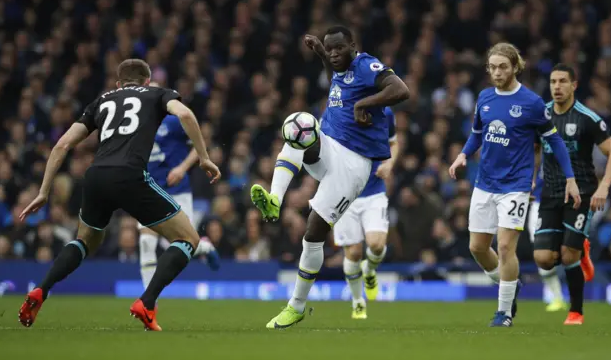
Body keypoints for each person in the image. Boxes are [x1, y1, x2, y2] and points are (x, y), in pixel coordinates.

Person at [18, 59, 221, 331]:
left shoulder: (102, 100)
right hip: (130, 175)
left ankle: (40, 290)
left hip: (95, 176)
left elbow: (63, 144)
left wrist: (44, 191)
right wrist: (204, 158)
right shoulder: (157, 93)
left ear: (118, 84)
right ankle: (147, 303)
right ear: (147, 81)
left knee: (86, 241)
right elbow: (185, 115)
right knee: (188, 238)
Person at [250, 25, 409, 329]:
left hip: (354, 164)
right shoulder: (340, 68)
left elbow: (401, 90)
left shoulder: (366, 65)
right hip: (330, 146)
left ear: (353, 45)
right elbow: (335, 74)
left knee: (313, 234)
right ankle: (274, 200)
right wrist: (321, 54)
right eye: (330, 49)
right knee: (300, 127)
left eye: (339, 48)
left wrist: (365, 103)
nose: (335, 54)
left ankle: (296, 306)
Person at [449, 43, 580, 327]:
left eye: (503, 67)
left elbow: (555, 140)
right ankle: (511, 284)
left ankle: (504, 312)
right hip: (485, 183)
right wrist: (462, 155)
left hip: (517, 185)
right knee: (477, 247)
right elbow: (476, 135)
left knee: (506, 247)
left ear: (515, 67)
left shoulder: (532, 102)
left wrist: (570, 178)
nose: (497, 72)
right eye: (493, 67)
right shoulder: (484, 98)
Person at [533, 64, 611, 325]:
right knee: (544, 260)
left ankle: (575, 312)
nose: (557, 87)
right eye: (553, 82)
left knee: (568, 255)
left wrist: (603, 187)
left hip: (581, 192)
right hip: (550, 192)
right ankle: (579, 248)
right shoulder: (542, 115)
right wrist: (530, 177)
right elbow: (535, 148)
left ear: (574, 85)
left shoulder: (587, 118)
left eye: (562, 82)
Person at [139, 81, 219, 290]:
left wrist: (182, 168)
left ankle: (204, 248)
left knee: (183, 243)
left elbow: (200, 144)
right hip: (150, 189)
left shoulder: (174, 120)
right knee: (146, 242)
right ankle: (148, 301)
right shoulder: (137, 123)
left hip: (177, 189)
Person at [333, 106, 399, 319]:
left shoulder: (384, 112)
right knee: (352, 253)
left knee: (377, 245)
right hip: (345, 194)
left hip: (374, 190)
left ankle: (369, 270)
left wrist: (389, 164)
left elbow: (393, 143)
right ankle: (357, 301)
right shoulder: (337, 111)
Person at [527, 170, 568, 312]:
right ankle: (557, 297)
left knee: (567, 248)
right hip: (539, 204)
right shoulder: (533, 151)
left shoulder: (565, 150)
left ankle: (566, 295)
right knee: (541, 252)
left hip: (564, 202)